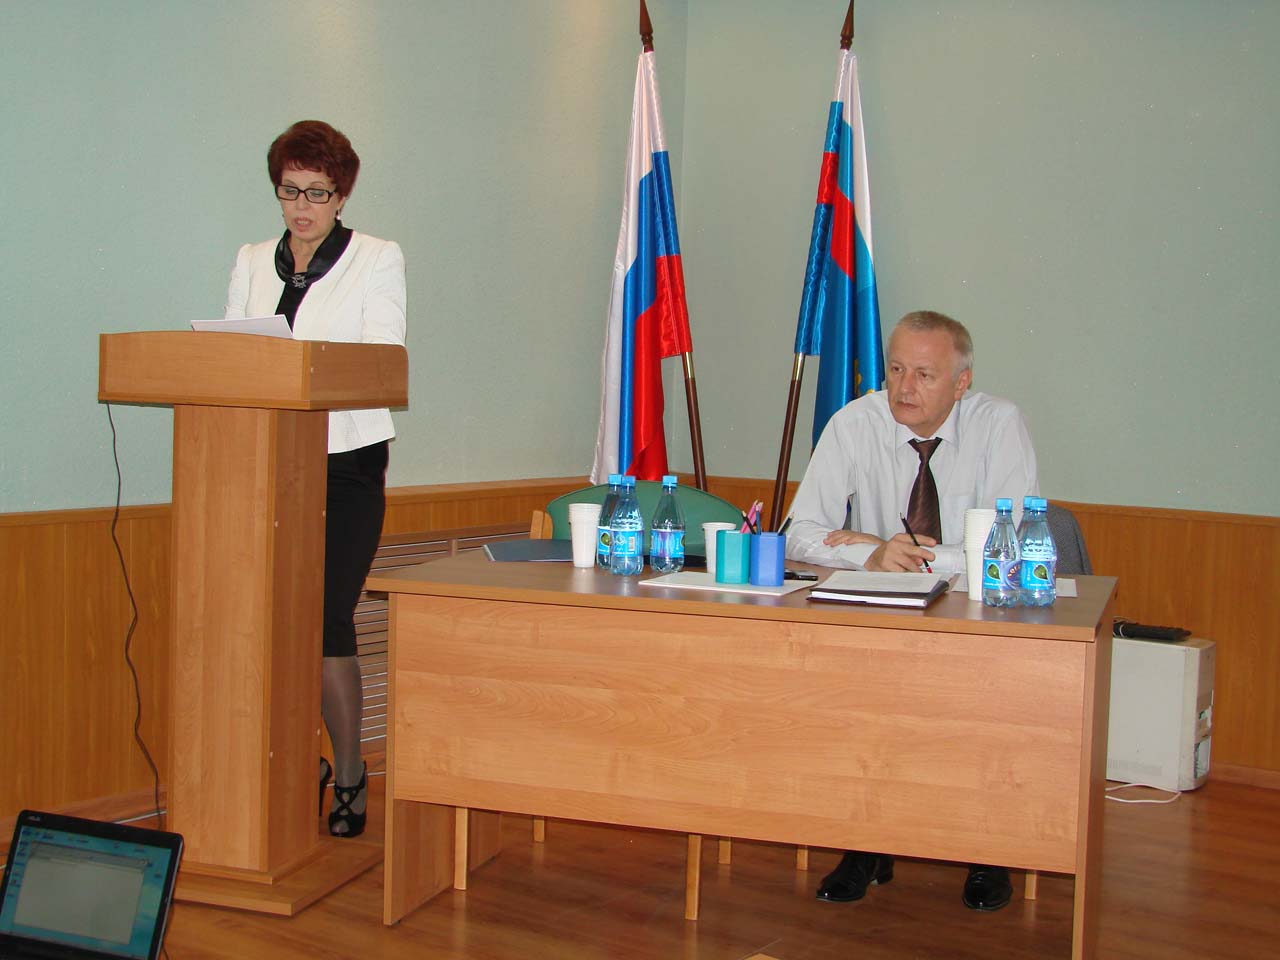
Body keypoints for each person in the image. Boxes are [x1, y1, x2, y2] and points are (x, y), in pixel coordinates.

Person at [785, 310, 1037, 911]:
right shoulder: (855, 422)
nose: (904, 387)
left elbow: (1009, 541)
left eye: (924, 375)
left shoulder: (999, 425)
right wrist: (871, 553)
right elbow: (800, 531)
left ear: (961, 382)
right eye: (896, 370)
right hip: (883, 610)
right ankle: (866, 846)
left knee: (981, 715)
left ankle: (988, 849)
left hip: (980, 615)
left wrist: (916, 554)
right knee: (858, 707)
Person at [224, 120, 406, 839]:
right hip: (267, 461)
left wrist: (299, 366)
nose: (301, 207)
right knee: (269, 619)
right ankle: (286, 766)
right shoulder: (251, 260)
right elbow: (232, 357)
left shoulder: (376, 257)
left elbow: (383, 358)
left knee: (329, 617)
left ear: (342, 195)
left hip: (346, 464)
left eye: (317, 193)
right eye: (289, 191)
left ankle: (351, 770)